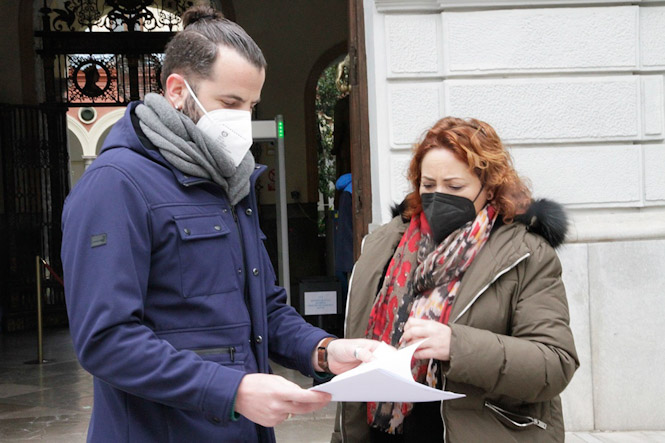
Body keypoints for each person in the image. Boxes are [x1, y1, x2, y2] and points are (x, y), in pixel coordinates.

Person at [60, 6, 379, 442]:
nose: (243, 118)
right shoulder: (115, 185)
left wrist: (323, 351)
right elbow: (106, 340)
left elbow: (263, 307)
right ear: (177, 90)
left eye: (251, 105)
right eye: (230, 103)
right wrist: (233, 391)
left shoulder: (231, 180)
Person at [332, 117, 579, 442]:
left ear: (489, 188)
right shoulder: (385, 245)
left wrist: (457, 345)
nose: (438, 197)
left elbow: (554, 363)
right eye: (428, 185)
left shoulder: (525, 254)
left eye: (455, 187)